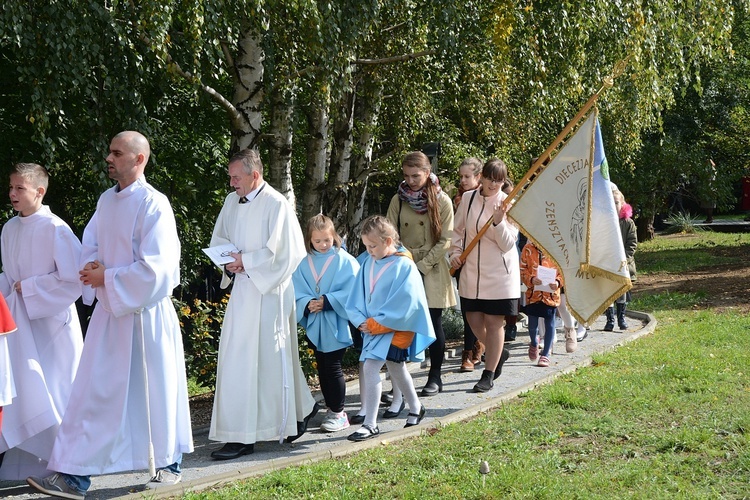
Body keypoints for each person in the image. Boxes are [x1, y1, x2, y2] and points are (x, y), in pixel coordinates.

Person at [26, 131, 194, 499]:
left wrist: (109, 277)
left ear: (139, 159)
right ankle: (73, 475)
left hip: (146, 316)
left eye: (117, 153)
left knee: (156, 392)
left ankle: (169, 463)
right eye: (109, 152)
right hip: (110, 315)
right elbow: (91, 245)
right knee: (93, 393)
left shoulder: (154, 204)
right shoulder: (106, 200)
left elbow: (161, 269)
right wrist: (91, 268)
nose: (109, 158)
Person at [208, 149, 318, 460]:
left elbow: (287, 253)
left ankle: (249, 434)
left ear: (254, 175)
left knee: (269, 359)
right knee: (237, 359)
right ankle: (298, 411)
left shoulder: (276, 204)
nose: (231, 184)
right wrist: (229, 260)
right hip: (244, 290)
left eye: (236, 177)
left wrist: (249, 261)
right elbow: (220, 239)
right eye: (230, 177)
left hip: (269, 292)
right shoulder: (232, 202)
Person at [0, 163, 84, 480]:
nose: (12, 194)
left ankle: (68, 467)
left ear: (39, 191)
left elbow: (74, 280)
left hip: (54, 327)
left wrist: (32, 288)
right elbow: (9, 276)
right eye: (11, 187)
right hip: (21, 323)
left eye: (19, 188)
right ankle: (27, 468)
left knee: (57, 391)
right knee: (26, 390)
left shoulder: (56, 229)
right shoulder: (9, 229)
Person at [345, 216, 435, 441]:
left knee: (371, 368)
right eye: (366, 246)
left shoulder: (404, 264)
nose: (369, 251)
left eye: (372, 246)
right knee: (396, 368)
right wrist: (360, 321)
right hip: (372, 328)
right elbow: (356, 296)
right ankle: (416, 407)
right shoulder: (369, 262)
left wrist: (377, 324)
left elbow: (407, 302)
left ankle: (370, 424)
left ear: (387, 241)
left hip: (394, 329)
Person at [386, 151, 455, 397]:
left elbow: (446, 240)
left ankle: (435, 377)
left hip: (432, 268)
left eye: (416, 175)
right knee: (401, 325)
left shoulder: (442, 200)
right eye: (406, 175)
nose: (411, 180)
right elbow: (389, 235)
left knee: (432, 324)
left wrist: (422, 266)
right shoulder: (399, 199)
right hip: (403, 265)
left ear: (428, 173)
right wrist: (403, 262)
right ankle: (399, 386)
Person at [450, 159, 518, 392]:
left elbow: (509, 245)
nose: (493, 185)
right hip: (471, 273)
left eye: (498, 181)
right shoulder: (468, 199)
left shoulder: (508, 203)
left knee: (493, 322)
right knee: (473, 319)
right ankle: (498, 351)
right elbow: (457, 231)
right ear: (482, 177)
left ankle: (488, 374)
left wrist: (499, 222)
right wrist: (455, 253)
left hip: (499, 274)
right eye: (490, 179)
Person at [292, 214, 360, 433]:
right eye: (317, 241)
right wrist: (307, 303)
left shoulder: (344, 259)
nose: (322, 245)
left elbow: (354, 288)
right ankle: (331, 408)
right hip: (315, 321)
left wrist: (328, 301)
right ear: (309, 240)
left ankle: (339, 412)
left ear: (334, 237)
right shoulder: (303, 262)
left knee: (333, 366)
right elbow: (296, 289)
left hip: (336, 320)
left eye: (327, 240)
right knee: (322, 366)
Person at [453, 157, 485, 372]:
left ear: (478, 176)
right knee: (468, 309)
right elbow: (455, 230)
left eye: (467, 176)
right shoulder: (460, 198)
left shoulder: (487, 197)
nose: (463, 180)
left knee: (483, 309)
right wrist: (454, 253)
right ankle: (469, 353)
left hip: (484, 262)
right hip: (463, 261)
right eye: (461, 176)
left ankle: (481, 347)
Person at [520, 241, 562, 367]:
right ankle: (534, 342)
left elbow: (564, 272)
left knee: (550, 324)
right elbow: (522, 270)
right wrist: (531, 279)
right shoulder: (527, 249)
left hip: (550, 296)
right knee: (533, 326)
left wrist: (558, 282)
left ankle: (546, 354)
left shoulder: (557, 248)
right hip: (533, 295)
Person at [604, 189, 638, 331]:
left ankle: (621, 317)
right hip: (606, 263)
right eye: (611, 202)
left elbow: (632, 243)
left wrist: (623, 259)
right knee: (608, 291)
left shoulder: (628, 223)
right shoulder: (604, 221)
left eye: (616, 202)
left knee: (621, 290)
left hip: (623, 264)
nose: (614, 205)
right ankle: (610, 319)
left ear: (622, 203)